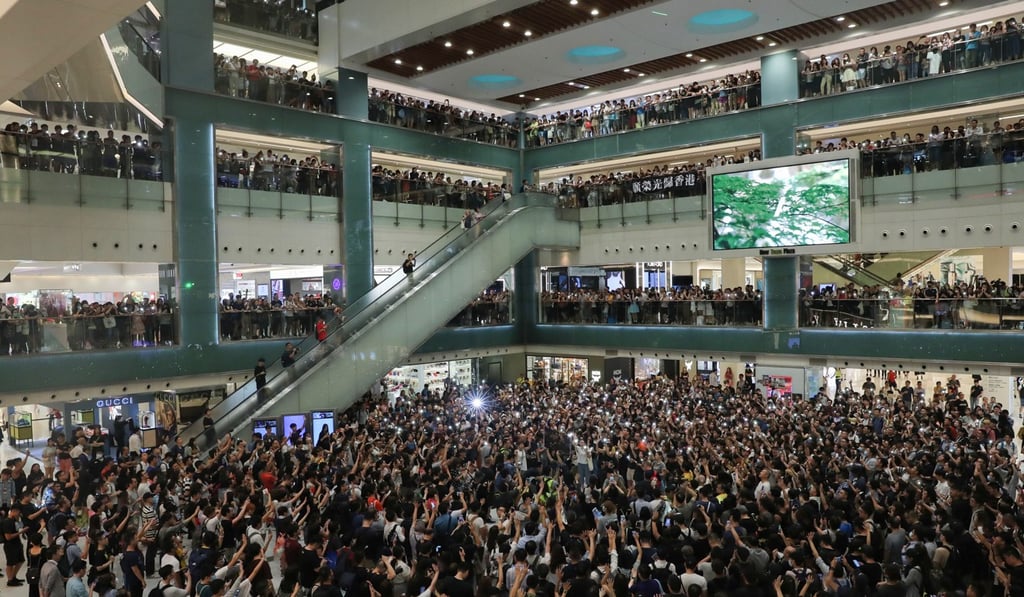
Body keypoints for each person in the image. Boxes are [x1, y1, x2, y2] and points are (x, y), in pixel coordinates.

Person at [3, 503, 26, 586]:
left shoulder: (15, 520)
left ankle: (13, 577)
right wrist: (21, 532)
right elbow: (8, 537)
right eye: (18, 512)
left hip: (17, 543)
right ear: (14, 511)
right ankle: (10, 580)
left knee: (20, 560)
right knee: (10, 563)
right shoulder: (7, 522)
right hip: (10, 545)